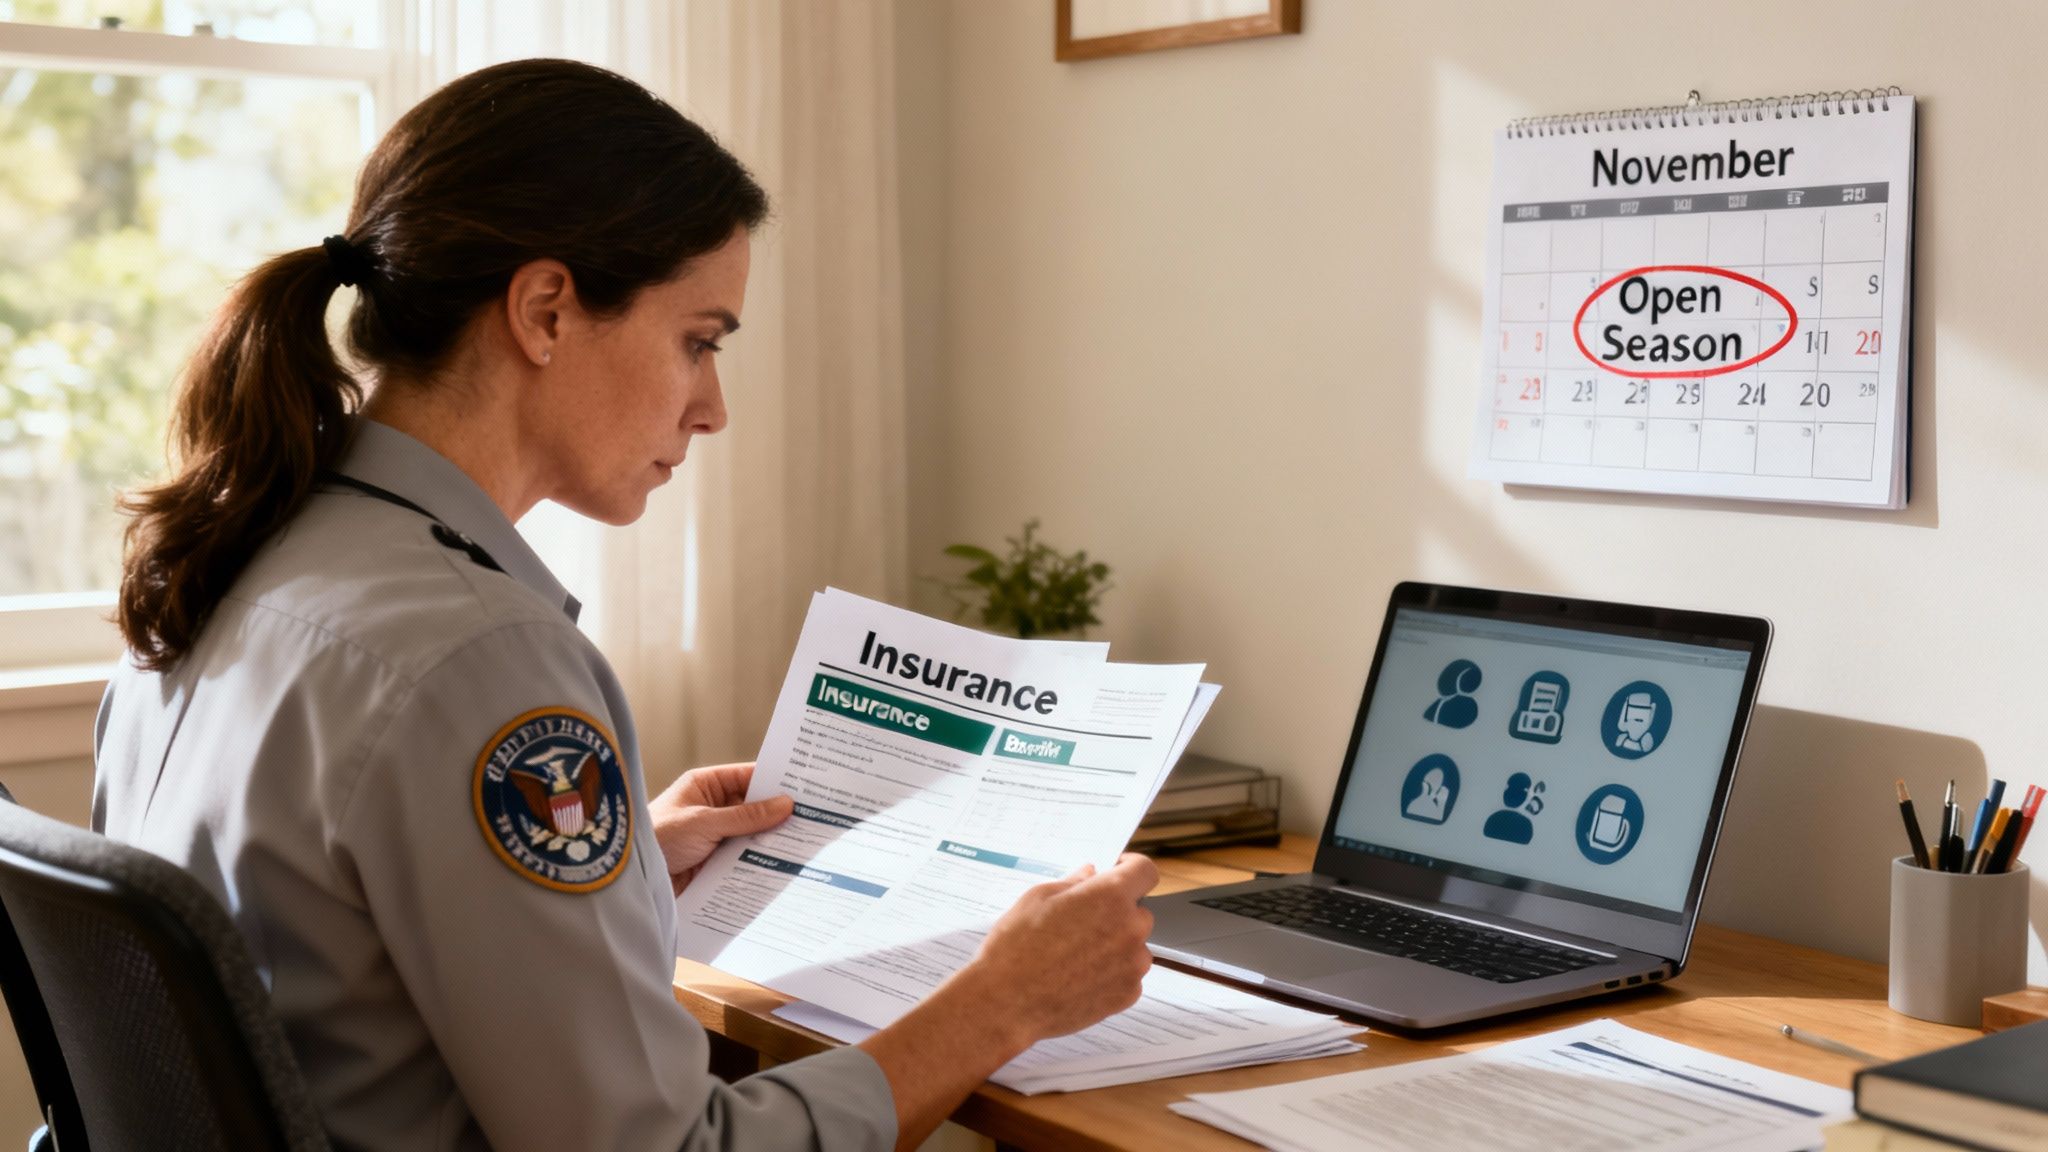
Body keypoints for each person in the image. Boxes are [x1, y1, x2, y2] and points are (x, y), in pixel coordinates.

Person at [92, 58, 1158, 1152]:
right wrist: (1004, 1002)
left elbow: (330, 939)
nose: (712, 408)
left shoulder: (228, 563)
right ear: (546, 310)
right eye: (698, 341)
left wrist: (627, 863)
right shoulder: (477, 659)